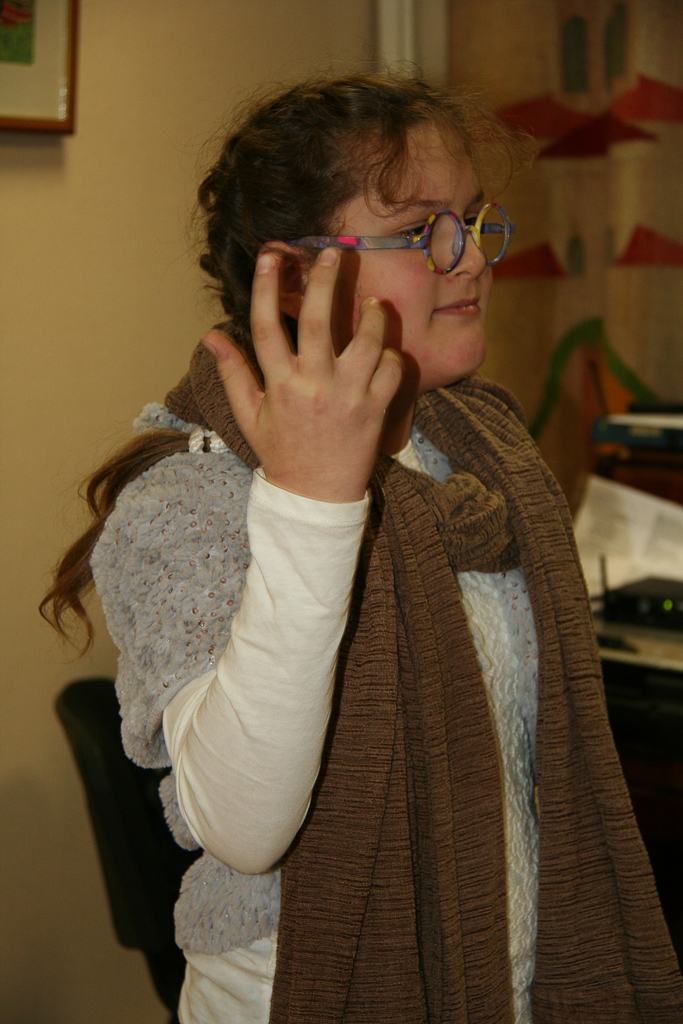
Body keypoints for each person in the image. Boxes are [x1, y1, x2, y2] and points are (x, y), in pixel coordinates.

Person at [42, 73, 683, 1024]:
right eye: (423, 231)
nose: (470, 259)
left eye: (472, 221)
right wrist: (311, 501)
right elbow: (244, 829)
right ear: (297, 277)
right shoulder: (190, 497)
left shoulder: (478, 452)